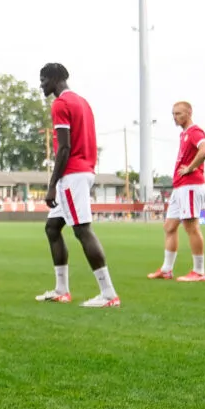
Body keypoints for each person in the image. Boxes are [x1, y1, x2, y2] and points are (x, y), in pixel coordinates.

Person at [35, 63, 120, 307]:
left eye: (43, 80)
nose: (41, 85)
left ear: (53, 78)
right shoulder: (83, 102)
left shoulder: (60, 103)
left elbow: (64, 147)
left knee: (82, 230)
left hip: (72, 174)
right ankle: (61, 290)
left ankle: (108, 294)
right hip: (84, 170)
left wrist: (52, 184)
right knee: (53, 227)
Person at [148, 101, 205, 282]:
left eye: (179, 113)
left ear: (189, 113)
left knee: (191, 227)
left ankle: (199, 271)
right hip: (180, 186)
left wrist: (190, 168)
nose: (175, 117)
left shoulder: (195, 131)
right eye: (173, 114)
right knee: (169, 227)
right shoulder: (184, 135)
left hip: (190, 185)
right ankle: (166, 269)